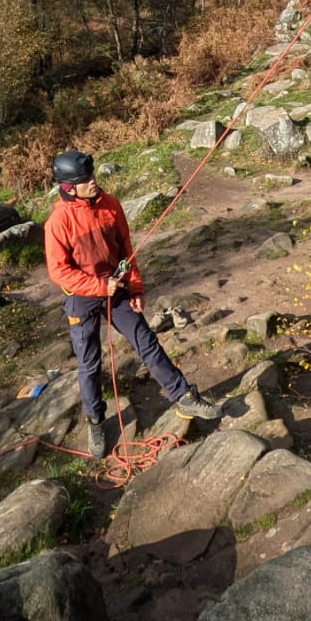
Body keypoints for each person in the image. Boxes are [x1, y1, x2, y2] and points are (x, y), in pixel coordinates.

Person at [43, 148, 222, 459]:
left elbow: (127, 250)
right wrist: (99, 286)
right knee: (89, 364)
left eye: (93, 176)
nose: (94, 182)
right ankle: (96, 421)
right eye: (86, 180)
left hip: (118, 288)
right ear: (68, 187)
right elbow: (58, 271)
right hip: (82, 297)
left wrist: (135, 287)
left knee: (146, 341)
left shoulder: (111, 205)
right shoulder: (58, 222)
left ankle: (182, 395)